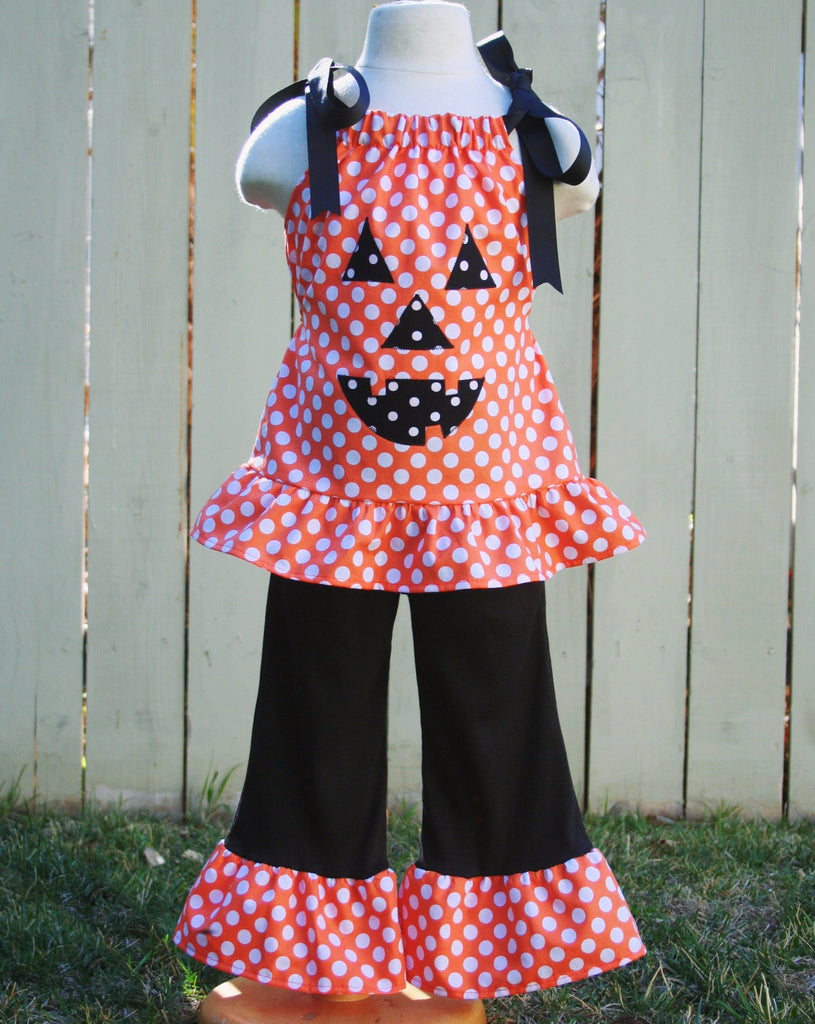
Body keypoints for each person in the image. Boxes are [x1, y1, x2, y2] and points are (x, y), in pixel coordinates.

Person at [175, 0, 646, 1003]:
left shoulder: (537, 138)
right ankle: (310, 953)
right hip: (332, 491)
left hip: (483, 496)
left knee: (496, 713)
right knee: (313, 712)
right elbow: (262, 180)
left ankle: (472, 952)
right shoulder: (302, 130)